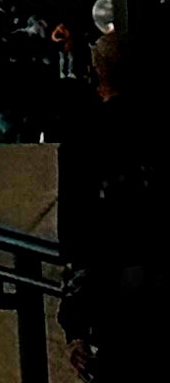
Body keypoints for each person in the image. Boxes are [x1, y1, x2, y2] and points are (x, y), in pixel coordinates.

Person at [67, 29, 170, 382]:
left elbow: (80, 233)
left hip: (119, 295)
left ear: (96, 74)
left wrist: (76, 326)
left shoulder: (87, 137)